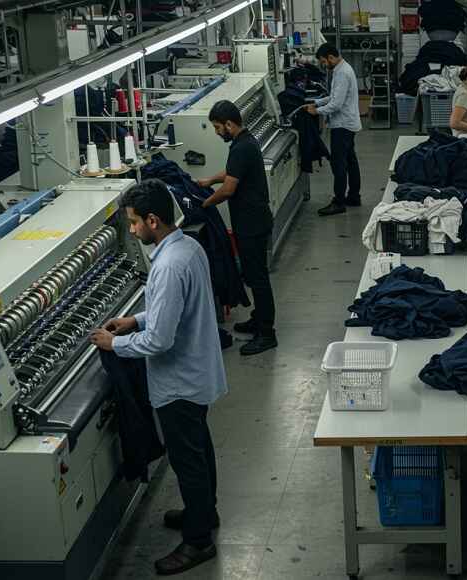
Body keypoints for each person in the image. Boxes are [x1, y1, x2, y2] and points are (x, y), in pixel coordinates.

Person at [89, 179, 228, 576]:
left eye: (134, 223)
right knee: (200, 447)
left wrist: (114, 344)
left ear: (153, 220)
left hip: (180, 381)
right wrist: (135, 318)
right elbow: (173, 311)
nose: (132, 230)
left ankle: (199, 541)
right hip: (198, 373)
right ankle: (204, 513)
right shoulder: (187, 247)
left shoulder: (166, 266)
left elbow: (160, 340)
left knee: (188, 460)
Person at [197, 100, 278, 356]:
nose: (217, 132)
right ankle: (258, 318)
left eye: (218, 127)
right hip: (254, 221)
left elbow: (230, 189)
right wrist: (210, 179)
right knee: (256, 276)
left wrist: (205, 204)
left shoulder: (241, 148)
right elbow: (232, 174)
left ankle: (267, 333)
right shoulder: (245, 142)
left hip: (251, 225)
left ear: (229, 124)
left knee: (258, 279)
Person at [306, 43, 362, 217]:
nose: (324, 65)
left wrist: (317, 111)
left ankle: (338, 202)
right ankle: (353, 196)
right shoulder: (342, 69)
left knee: (339, 164)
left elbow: (336, 104)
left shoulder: (342, 73)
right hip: (348, 123)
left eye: (324, 61)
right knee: (350, 161)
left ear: (330, 57)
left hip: (342, 125)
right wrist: (317, 102)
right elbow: (334, 96)